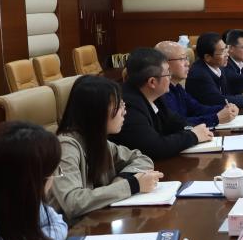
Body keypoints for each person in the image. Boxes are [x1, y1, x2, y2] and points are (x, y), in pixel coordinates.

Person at [51, 75, 161, 223]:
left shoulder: (97, 140)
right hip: (70, 232)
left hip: (95, 223)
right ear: (97, 111)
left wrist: (121, 180)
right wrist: (132, 185)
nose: (124, 112)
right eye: (118, 105)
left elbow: (141, 158)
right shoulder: (65, 147)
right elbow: (73, 203)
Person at [112, 47, 212, 160]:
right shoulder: (129, 106)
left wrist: (195, 129)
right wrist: (193, 135)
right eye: (168, 73)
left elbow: (174, 122)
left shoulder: (155, 96)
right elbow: (154, 147)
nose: (170, 77)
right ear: (152, 82)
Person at [155, 41, 239, 127]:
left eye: (186, 58)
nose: (187, 63)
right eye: (182, 59)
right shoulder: (161, 92)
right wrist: (216, 118)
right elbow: (178, 123)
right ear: (165, 64)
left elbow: (197, 109)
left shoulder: (177, 87)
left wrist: (224, 108)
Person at [185, 33, 243, 108]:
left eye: (226, 49)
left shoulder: (218, 67)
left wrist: (242, 93)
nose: (227, 54)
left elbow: (229, 89)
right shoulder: (199, 75)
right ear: (208, 57)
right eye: (222, 51)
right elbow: (218, 101)